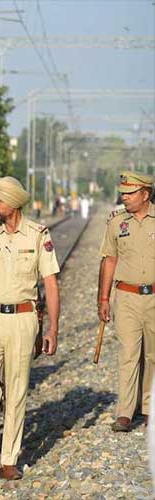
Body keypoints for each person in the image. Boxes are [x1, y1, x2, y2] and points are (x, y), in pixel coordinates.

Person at [0, 176, 60, 480]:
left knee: (16, 389)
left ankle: (9, 459)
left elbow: (50, 285)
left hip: (22, 319)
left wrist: (53, 328)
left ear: (13, 203)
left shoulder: (38, 235)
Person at [98, 171, 155, 432]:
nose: (124, 197)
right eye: (123, 192)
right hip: (127, 296)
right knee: (129, 353)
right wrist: (104, 297)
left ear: (145, 194)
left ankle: (148, 408)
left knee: (152, 356)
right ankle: (125, 412)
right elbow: (109, 259)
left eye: (130, 193)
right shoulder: (116, 223)